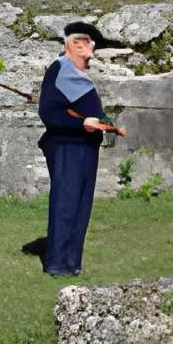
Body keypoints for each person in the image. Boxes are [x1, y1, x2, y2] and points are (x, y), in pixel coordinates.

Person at [36, 21, 119, 277]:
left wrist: (104, 123)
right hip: (67, 148)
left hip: (84, 147)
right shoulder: (59, 70)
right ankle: (57, 262)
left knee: (81, 205)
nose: (92, 47)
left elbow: (88, 110)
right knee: (66, 202)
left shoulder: (80, 74)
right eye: (86, 41)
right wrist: (80, 122)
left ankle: (72, 261)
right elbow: (49, 112)